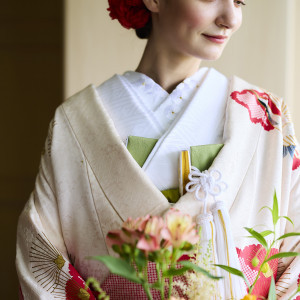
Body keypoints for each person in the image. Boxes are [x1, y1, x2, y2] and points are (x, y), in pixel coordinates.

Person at [16, 0, 300, 299]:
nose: (230, 18)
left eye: (239, 1)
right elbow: (42, 263)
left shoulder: (266, 117)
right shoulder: (76, 123)